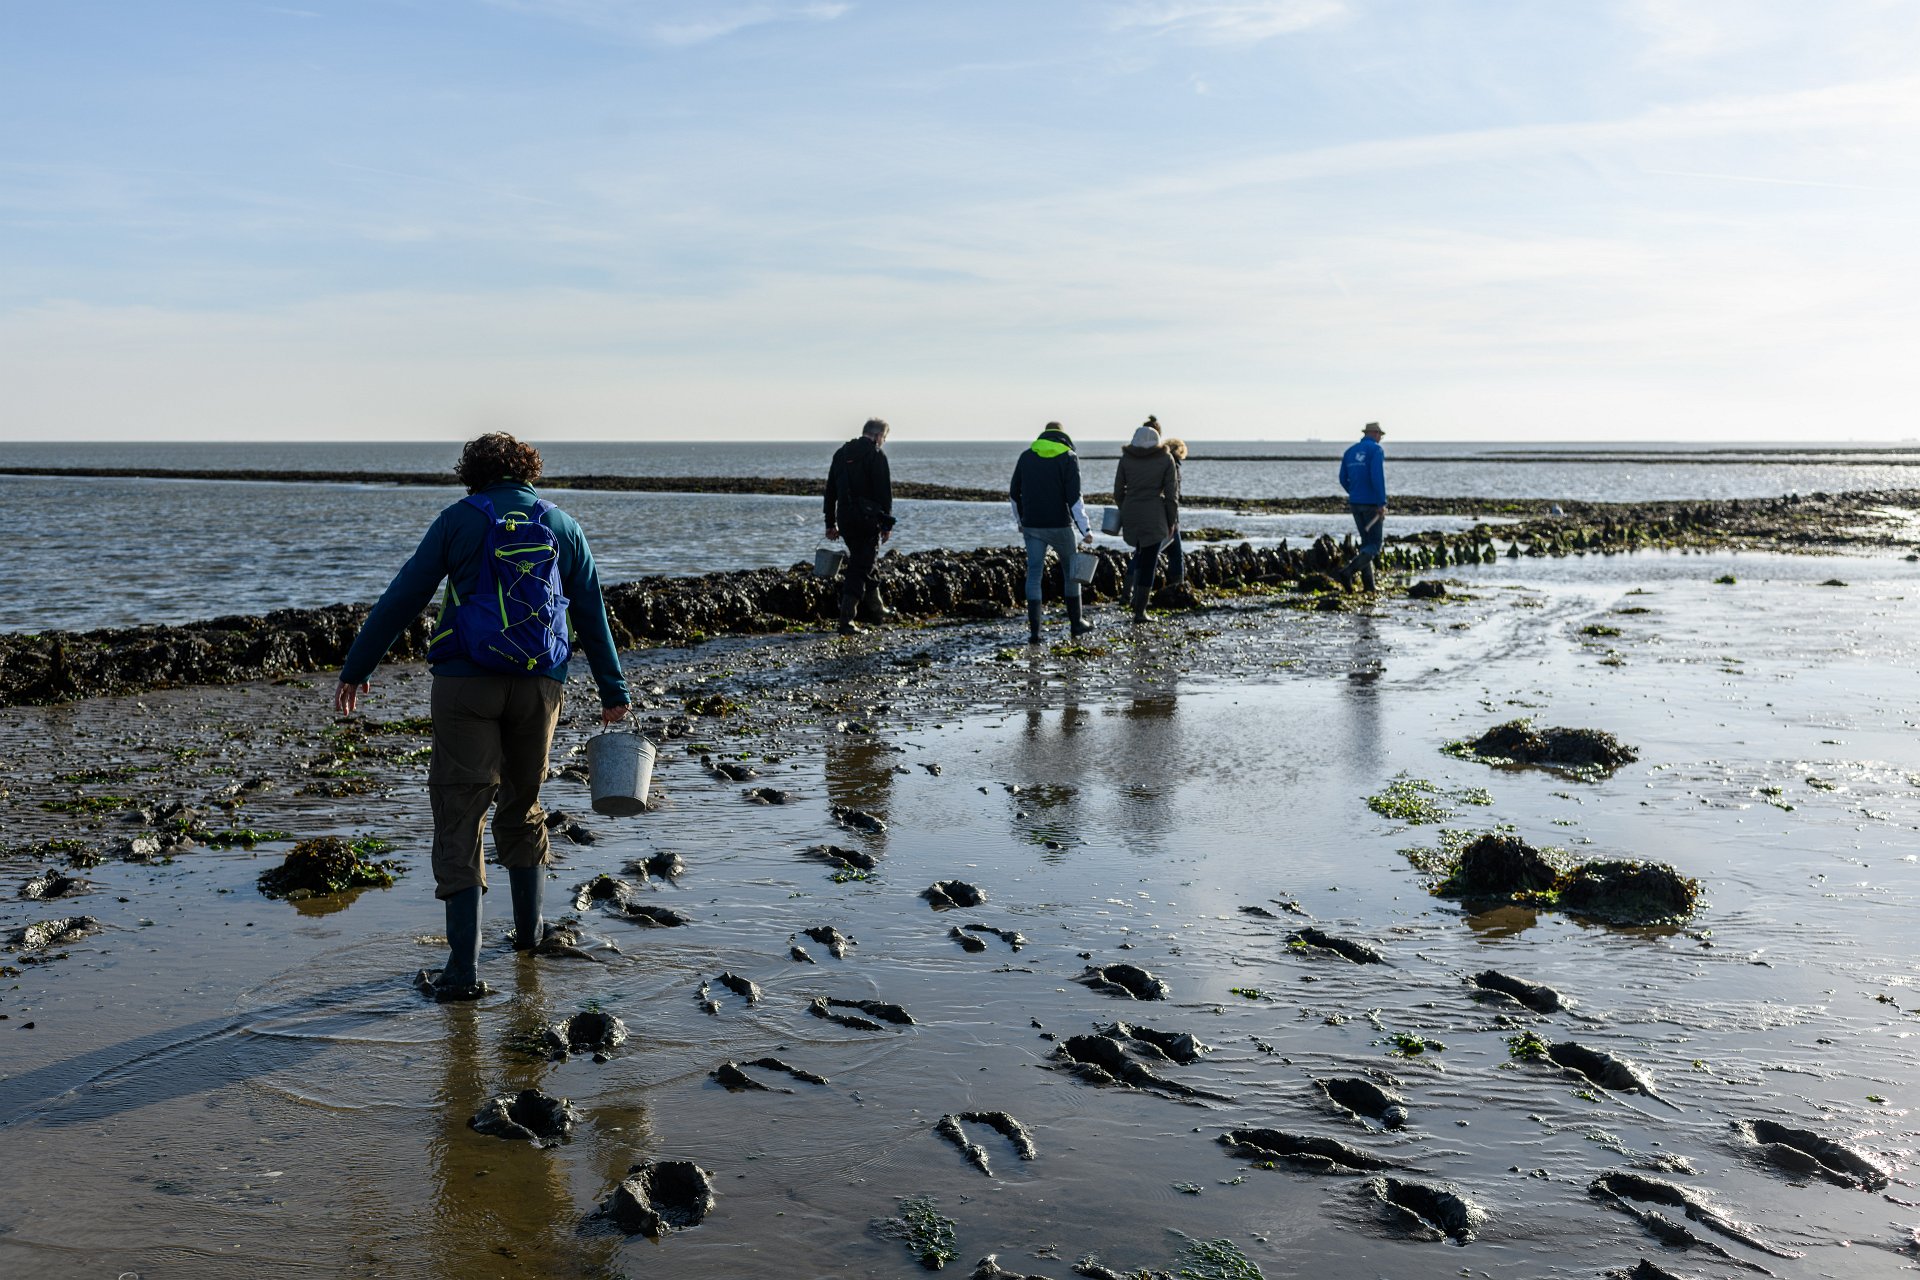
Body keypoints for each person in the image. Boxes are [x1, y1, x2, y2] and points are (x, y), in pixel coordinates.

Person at [334, 433, 630, 1001]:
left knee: (460, 810)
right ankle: (530, 937)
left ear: (471, 473)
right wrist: (612, 688)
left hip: (465, 683)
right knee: (523, 805)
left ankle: (463, 971)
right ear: (528, 472)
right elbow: (592, 608)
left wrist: (358, 666)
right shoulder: (562, 524)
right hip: (541, 683)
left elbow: (405, 595)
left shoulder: (458, 520)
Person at [1009, 421, 1094, 644]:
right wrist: (1085, 529)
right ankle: (1076, 623)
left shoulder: (1026, 456)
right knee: (1071, 572)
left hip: (1032, 526)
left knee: (1034, 573)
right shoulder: (1068, 457)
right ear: (1063, 436)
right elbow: (1074, 497)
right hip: (1060, 526)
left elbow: (1014, 493)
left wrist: (1020, 521)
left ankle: (1035, 632)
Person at [824, 418, 896, 635]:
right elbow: (884, 493)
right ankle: (846, 621)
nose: (883, 441)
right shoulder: (876, 455)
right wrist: (886, 524)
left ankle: (878, 610)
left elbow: (830, 491)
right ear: (878, 436)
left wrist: (830, 523)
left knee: (865, 561)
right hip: (867, 519)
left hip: (845, 519)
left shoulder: (841, 453)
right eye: (884, 438)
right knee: (859, 567)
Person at [1113, 421, 1180, 624]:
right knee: (1149, 561)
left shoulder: (1126, 459)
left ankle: (1133, 599)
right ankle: (1140, 611)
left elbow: (1118, 491)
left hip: (1131, 512)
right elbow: (1171, 495)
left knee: (1139, 554)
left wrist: (1125, 508)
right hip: (1155, 514)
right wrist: (1171, 521)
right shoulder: (1166, 459)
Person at [1337, 421, 1388, 591]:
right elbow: (1377, 477)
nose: (1380, 438)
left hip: (1355, 503)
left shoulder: (1350, 451)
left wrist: (1353, 492)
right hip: (1371, 504)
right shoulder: (1376, 450)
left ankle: (1369, 586)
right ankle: (1348, 572)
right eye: (1380, 435)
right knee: (1375, 545)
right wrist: (1381, 503)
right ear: (1374, 434)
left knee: (1366, 544)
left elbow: (1343, 478)